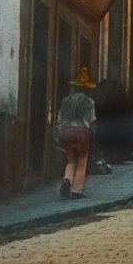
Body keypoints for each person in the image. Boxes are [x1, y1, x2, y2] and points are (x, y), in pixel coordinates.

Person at [57, 67, 97, 199]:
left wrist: (60, 133)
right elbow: (92, 121)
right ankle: (76, 191)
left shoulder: (65, 101)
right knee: (82, 162)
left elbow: (60, 120)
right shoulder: (89, 102)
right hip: (82, 133)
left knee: (70, 160)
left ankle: (67, 179)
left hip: (67, 132)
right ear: (86, 88)